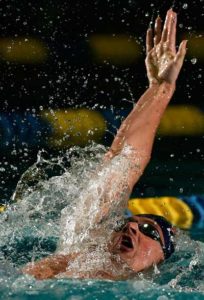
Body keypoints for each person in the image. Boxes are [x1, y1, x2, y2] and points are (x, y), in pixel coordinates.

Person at [23, 8, 187, 280]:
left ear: (159, 262)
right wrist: (159, 90)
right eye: (129, 223)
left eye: (149, 233)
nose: (132, 229)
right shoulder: (78, 253)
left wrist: (159, 91)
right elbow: (122, 158)